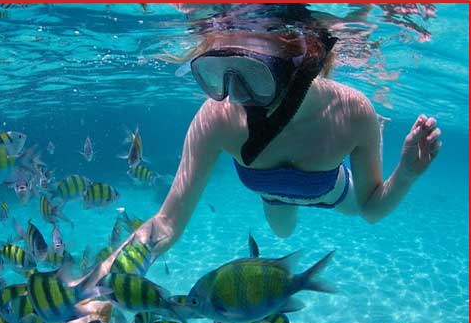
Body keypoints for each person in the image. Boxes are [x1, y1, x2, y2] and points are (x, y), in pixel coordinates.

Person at [93, 26, 441, 280]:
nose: (235, 95)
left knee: (350, 211)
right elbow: (166, 223)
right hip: (274, 199)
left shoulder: (352, 112)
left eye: (253, 75)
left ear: (302, 67)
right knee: (283, 233)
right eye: (221, 73)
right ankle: (279, 196)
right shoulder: (217, 118)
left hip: (332, 189)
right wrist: (96, 284)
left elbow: (371, 209)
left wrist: (406, 174)